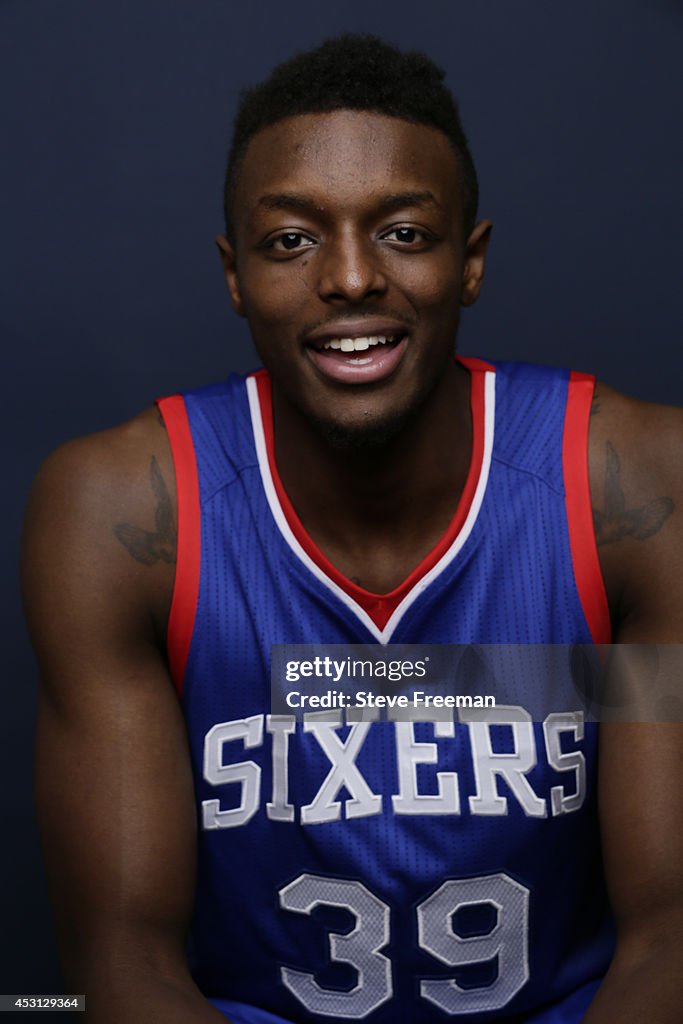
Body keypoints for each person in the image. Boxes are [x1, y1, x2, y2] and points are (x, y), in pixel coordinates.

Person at [22, 33, 682, 1024]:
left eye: (403, 233)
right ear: (234, 273)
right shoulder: (121, 510)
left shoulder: (631, 490)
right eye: (290, 239)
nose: (348, 279)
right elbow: (122, 956)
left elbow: (669, 932)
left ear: (469, 260)